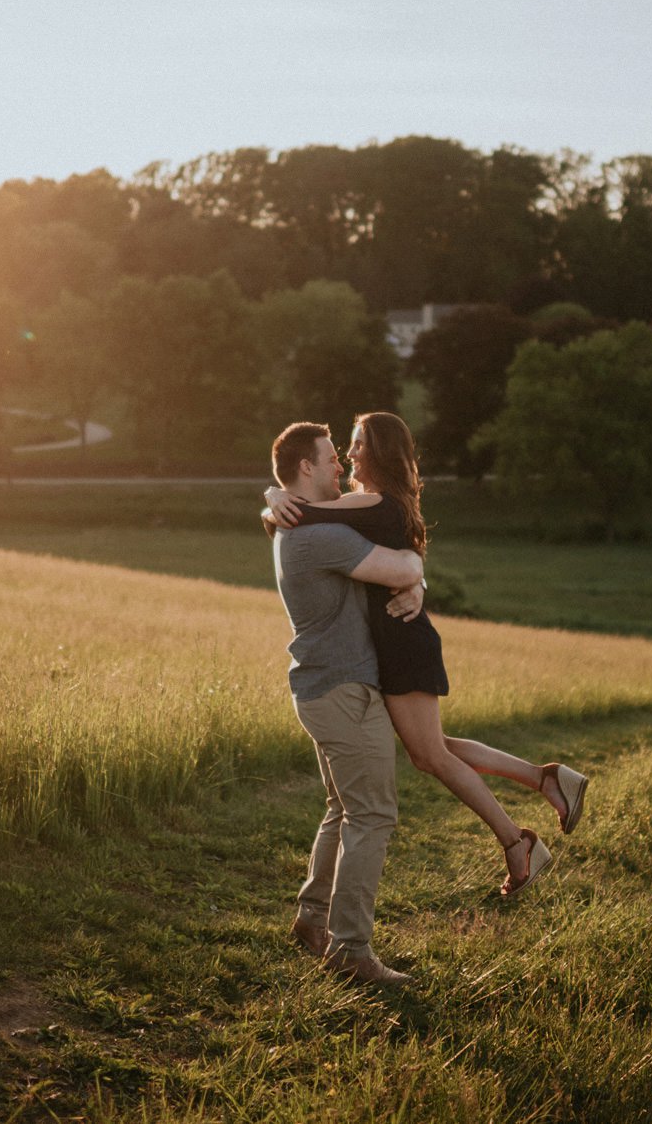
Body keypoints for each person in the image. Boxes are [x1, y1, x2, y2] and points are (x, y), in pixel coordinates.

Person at [265, 412, 588, 899]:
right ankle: (543, 781)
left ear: (378, 452)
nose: (348, 456)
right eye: (342, 450)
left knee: (430, 753)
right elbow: (359, 541)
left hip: (401, 642)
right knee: (432, 748)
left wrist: (273, 502)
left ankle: (518, 839)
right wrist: (416, 579)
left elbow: (304, 517)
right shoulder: (382, 503)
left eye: (355, 446)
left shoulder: (370, 502)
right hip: (399, 637)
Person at [269, 420, 426, 987]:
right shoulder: (321, 536)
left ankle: (313, 921)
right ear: (305, 469)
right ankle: (351, 950)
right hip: (344, 691)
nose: (340, 465)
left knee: (343, 810)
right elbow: (404, 566)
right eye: (330, 458)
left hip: (320, 688)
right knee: (372, 815)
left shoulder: (295, 527)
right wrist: (417, 579)